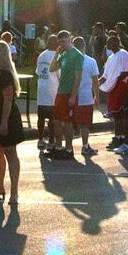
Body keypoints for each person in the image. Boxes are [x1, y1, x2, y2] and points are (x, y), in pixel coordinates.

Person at [0, 40, 24, 204]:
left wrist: (4, 123)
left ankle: (14, 193)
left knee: (10, 153)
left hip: (7, 119)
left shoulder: (6, 74)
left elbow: (8, 100)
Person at [48, 31, 83, 160]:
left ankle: (69, 149)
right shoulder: (63, 54)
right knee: (56, 120)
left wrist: (73, 96)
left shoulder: (76, 55)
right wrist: (57, 53)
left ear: (69, 39)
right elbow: (52, 68)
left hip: (69, 92)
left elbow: (78, 77)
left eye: (64, 41)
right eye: (60, 42)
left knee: (67, 122)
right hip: (61, 92)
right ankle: (58, 147)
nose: (62, 44)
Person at [99, 35, 128, 154]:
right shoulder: (110, 57)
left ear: (117, 42)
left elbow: (125, 72)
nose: (109, 44)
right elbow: (105, 75)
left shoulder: (123, 53)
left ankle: (121, 139)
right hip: (111, 88)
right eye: (108, 42)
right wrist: (96, 83)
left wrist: (114, 81)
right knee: (115, 114)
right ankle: (118, 137)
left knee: (120, 114)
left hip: (120, 87)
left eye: (111, 42)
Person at [71, 36, 100, 156]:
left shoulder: (70, 60)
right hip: (86, 95)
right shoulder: (91, 61)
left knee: (70, 122)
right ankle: (85, 145)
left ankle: (68, 147)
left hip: (72, 95)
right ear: (84, 46)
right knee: (85, 123)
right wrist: (97, 95)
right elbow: (95, 81)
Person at [35, 35, 59, 151]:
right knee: (52, 117)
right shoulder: (57, 56)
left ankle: (40, 139)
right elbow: (60, 74)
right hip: (53, 88)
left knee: (41, 116)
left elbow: (38, 72)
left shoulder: (41, 55)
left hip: (42, 88)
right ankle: (51, 141)